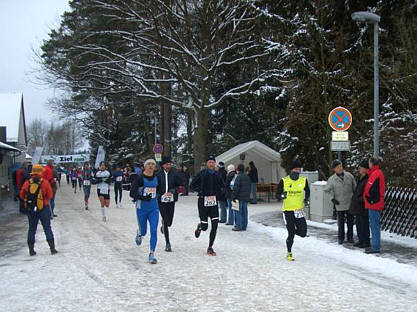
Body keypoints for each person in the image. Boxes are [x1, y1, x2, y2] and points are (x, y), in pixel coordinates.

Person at [190, 156, 225, 256]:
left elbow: (223, 186)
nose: (211, 164)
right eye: (209, 162)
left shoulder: (217, 175)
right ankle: (200, 226)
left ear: (215, 164)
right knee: (205, 227)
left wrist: (220, 192)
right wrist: (200, 191)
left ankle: (210, 247)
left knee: (215, 225)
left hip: (213, 203)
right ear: (206, 164)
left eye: (213, 162)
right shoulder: (201, 174)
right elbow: (192, 186)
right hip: (203, 203)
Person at [20, 164, 57, 256]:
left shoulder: (27, 183)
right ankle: (52, 249)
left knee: (32, 228)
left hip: (31, 209)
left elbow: (22, 194)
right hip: (43, 208)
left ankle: (31, 250)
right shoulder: (44, 182)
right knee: (47, 228)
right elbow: (50, 195)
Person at [275, 159, 309, 261]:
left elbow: (307, 191)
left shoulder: (303, 180)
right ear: (291, 170)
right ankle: (289, 252)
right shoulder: (284, 180)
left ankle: (292, 232)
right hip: (288, 211)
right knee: (291, 234)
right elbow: (277, 194)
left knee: (303, 233)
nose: (297, 171)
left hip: (298, 210)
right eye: (295, 169)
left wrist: (306, 199)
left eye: (299, 169)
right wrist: (282, 195)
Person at [130, 159, 159, 264]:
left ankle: (152, 253)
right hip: (141, 208)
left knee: (154, 230)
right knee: (144, 231)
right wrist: (142, 197)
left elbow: (160, 190)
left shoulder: (157, 177)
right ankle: (139, 233)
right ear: (145, 166)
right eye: (149, 164)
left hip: (154, 208)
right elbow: (132, 193)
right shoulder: (139, 178)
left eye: (153, 164)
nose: (151, 166)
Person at [324, 159, 357, 244]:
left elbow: (355, 187)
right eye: (338, 167)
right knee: (341, 222)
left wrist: (355, 197)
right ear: (334, 169)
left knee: (350, 221)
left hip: (350, 202)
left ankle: (350, 237)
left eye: (341, 166)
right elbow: (326, 190)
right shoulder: (332, 179)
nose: (340, 168)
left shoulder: (349, 176)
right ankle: (340, 238)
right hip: (339, 203)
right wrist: (332, 198)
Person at [156, 156, 182, 252]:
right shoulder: (158, 175)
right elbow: (155, 187)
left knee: (169, 222)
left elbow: (179, 186)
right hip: (161, 201)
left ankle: (164, 223)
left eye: (170, 164)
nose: (168, 166)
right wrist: (159, 195)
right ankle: (168, 243)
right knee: (167, 222)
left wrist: (172, 191)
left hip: (171, 200)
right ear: (163, 165)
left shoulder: (175, 174)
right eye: (167, 164)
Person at [364, 157, 385, 254]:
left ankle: (375, 246)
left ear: (372, 163)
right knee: (374, 225)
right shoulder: (376, 173)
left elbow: (371, 188)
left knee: (374, 225)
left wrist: (368, 197)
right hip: (374, 202)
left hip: (374, 203)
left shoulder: (376, 174)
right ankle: (375, 245)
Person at [349, 160, 370, 248]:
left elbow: (367, 192)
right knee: (358, 223)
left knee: (364, 223)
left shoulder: (367, 179)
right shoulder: (361, 178)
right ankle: (361, 239)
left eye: (360, 168)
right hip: (358, 204)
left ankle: (366, 240)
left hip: (362, 204)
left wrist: (360, 199)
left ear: (365, 169)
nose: (359, 170)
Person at [232, 164, 251, 231]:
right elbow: (249, 188)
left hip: (239, 197)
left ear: (238, 169)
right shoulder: (247, 177)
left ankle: (239, 226)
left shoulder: (238, 177)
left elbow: (236, 188)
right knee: (244, 212)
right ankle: (244, 226)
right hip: (245, 197)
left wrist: (233, 196)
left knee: (238, 212)